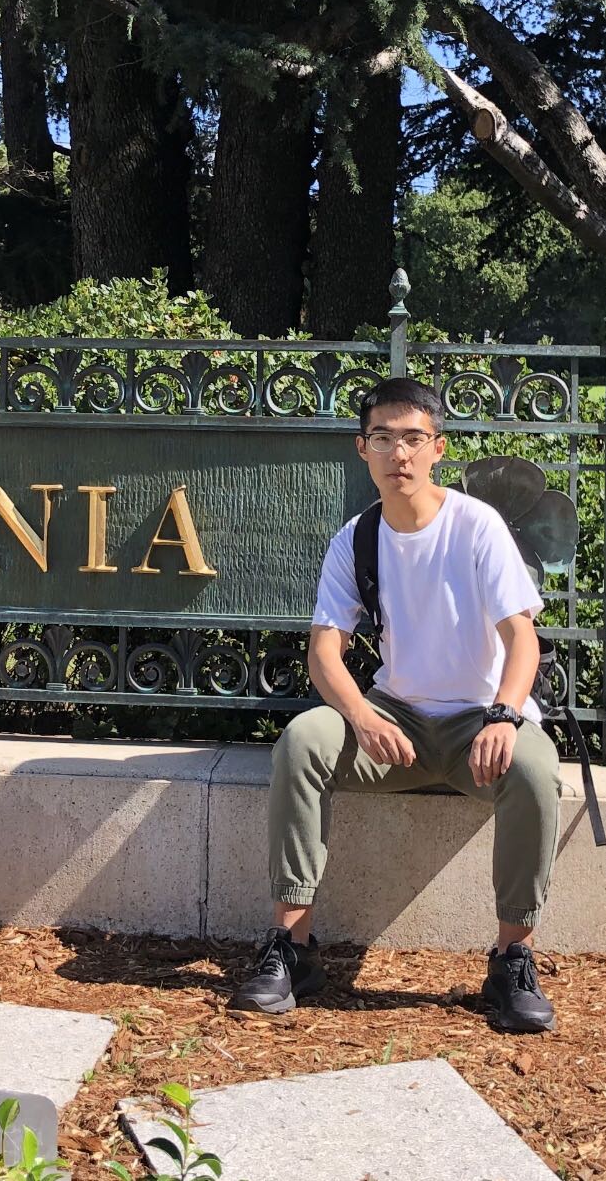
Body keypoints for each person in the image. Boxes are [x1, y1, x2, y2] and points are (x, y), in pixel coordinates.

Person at [230, 377, 561, 1033]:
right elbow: (324, 650)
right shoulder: (355, 538)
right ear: (363, 449)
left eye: (413, 438)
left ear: (437, 447)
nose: (398, 454)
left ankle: (511, 959)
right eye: (382, 438)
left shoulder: (476, 526)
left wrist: (503, 714)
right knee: (303, 742)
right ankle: (292, 947)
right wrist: (361, 715)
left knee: (532, 768)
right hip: (395, 722)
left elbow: (521, 637)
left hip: (479, 721)